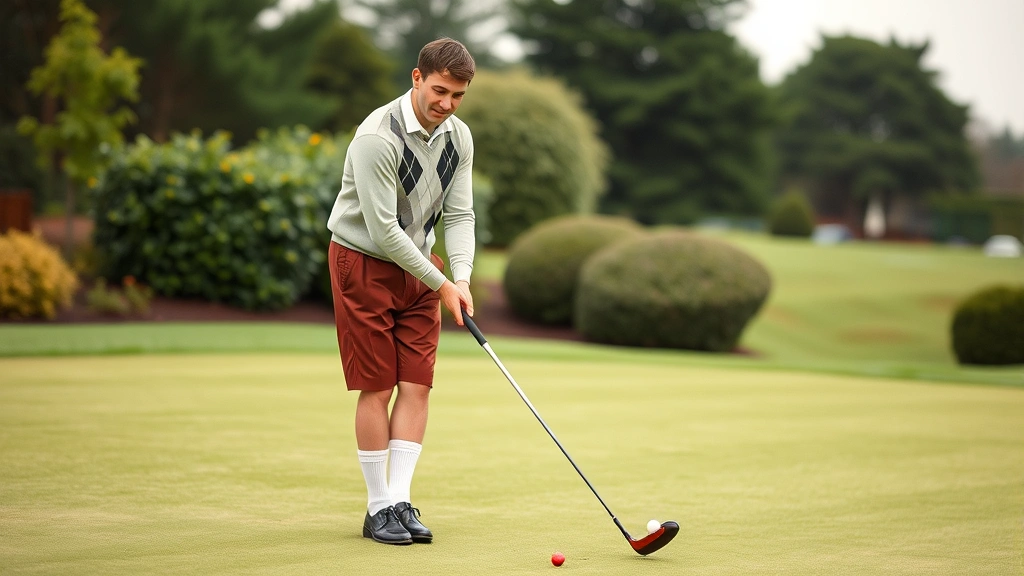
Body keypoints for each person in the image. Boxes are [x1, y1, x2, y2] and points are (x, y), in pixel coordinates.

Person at [326, 38, 476, 546]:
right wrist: (441, 284)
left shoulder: (459, 138)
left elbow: (459, 214)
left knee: (417, 383)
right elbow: (384, 230)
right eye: (439, 90)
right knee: (377, 384)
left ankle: (399, 500)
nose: (446, 104)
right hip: (363, 261)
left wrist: (462, 278)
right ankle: (376, 509)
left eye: (457, 95)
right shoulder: (376, 137)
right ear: (416, 78)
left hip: (419, 266)